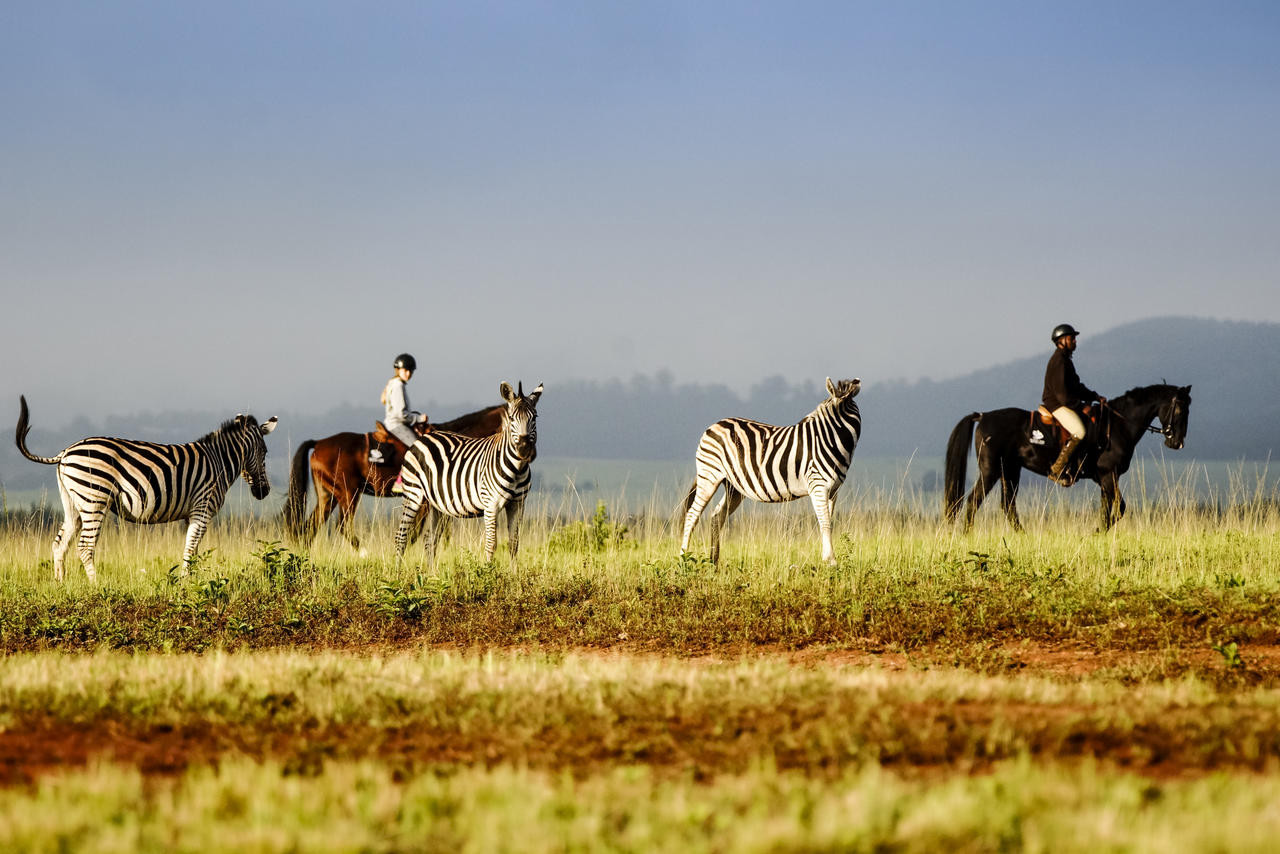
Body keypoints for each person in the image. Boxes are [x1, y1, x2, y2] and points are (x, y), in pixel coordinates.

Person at [1042, 323, 1106, 486]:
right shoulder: (1059, 361)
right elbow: (1063, 395)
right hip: (1056, 405)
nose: (1075, 341)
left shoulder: (1066, 360)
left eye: (1074, 338)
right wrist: (1082, 407)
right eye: (1072, 338)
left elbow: (1076, 386)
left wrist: (1094, 396)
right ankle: (1057, 469)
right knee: (1079, 431)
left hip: (1064, 403)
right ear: (1061, 341)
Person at [376, 353, 428, 492]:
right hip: (397, 425)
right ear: (398, 370)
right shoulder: (398, 385)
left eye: (411, 371)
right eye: (406, 370)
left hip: (391, 423)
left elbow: (383, 400)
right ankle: (400, 480)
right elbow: (401, 414)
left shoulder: (392, 383)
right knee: (418, 447)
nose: (409, 373)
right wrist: (419, 419)